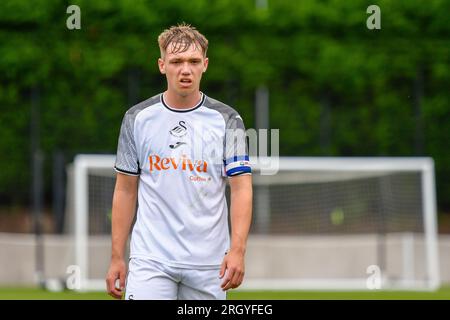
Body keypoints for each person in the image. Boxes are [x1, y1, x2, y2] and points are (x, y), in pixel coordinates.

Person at [105, 23, 253, 300]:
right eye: (177, 61)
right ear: (162, 65)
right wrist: (116, 256)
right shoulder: (137, 118)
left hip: (209, 264)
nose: (185, 69)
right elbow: (125, 189)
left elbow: (241, 188)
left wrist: (238, 250)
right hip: (151, 259)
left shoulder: (228, 120)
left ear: (205, 65)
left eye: (194, 61)